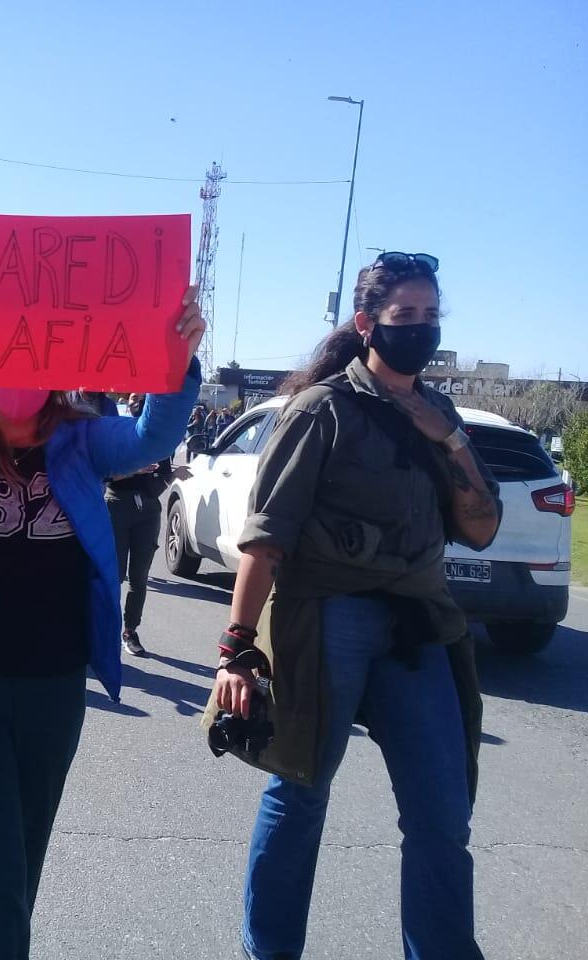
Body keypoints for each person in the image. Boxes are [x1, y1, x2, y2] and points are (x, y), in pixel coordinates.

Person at [0, 259, 204, 958]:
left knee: (9, 881)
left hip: (52, 693)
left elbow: (152, 440)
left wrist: (178, 365)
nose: (17, 367)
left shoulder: (84, 444)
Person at [211, 253, 500, 960]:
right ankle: (270, 950)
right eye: (407, 317)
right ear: (369, 324)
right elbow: (266, 539)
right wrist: (239, 650)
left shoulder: (441, 413)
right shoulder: (323, 410)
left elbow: (482, 526)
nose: (422, 330)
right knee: (301, 788)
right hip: (328, 615)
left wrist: (451, 439)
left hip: (418, 622)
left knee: (442, 813)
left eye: (432, 317)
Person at [106, 393, 177, 656]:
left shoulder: (162, 441)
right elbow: (106, 472)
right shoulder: (120, 431)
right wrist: (135, 470)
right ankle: (103, 630)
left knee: (139, 577)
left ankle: (130, 631)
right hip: (117, 505)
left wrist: (170, 476)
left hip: (147, 510)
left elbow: (159, 479)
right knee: (113, 575)